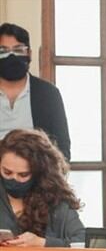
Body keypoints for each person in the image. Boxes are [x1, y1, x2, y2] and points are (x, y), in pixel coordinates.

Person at [0, 129, 83, 247]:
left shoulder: (56, 200)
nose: (14, 179)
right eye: (7, 172)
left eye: (23, 175)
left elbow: (83, 241)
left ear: (39, 173)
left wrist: (43, 243)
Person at [0, 23, 70, 161]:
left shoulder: (48, 94)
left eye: (18, 50)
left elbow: (62, 150)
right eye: (3, 51)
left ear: (29, 53)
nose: (11, 56)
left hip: (38, 177)